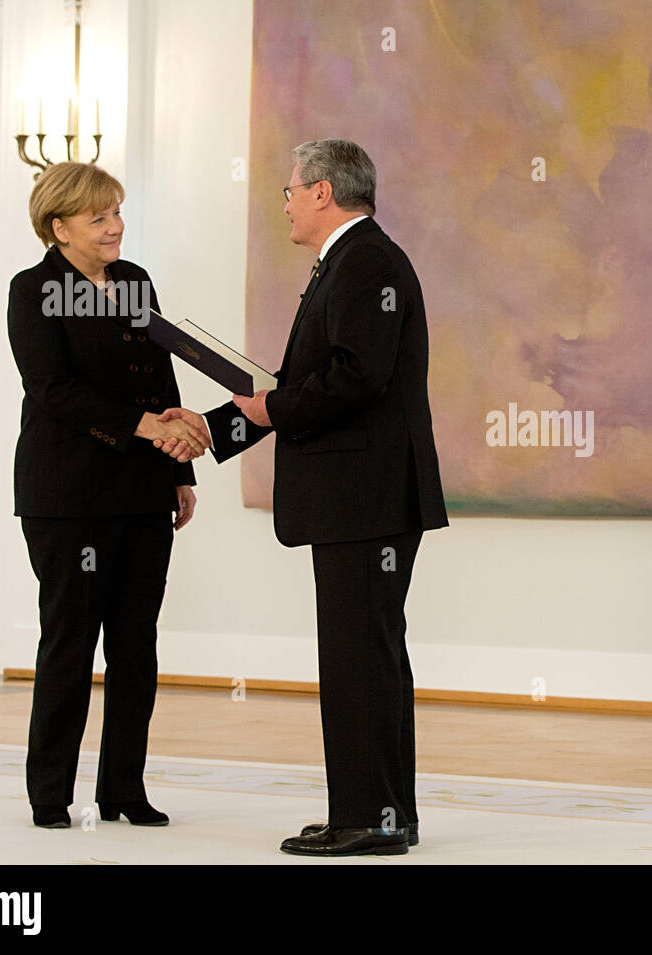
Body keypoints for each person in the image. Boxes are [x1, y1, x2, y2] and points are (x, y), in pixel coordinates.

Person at [160, 139, 448, 856]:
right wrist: (215, 425)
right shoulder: (349, 263)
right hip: (364, 497)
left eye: (290, 189)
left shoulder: (368, 263)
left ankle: (367, 819)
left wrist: (266, 410)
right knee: (367, 654)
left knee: (359, 656)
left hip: (367, 498)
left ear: (323, 191)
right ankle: (381, 813)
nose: (284, 202)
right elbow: (292, 387)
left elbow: (353, 380)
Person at [7, 161, 211, 829]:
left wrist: (180, 467)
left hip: (141, 487)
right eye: (98, 217)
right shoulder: (33, 289)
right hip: (67, 493)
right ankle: (50, 793)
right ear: (58, 226)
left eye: (117, 212)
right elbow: (53, 390)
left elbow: (159, 371)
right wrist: (144, 426)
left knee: (135, 643)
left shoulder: (134, 282)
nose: (115, 225)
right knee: (69, 640)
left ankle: (123, 787)